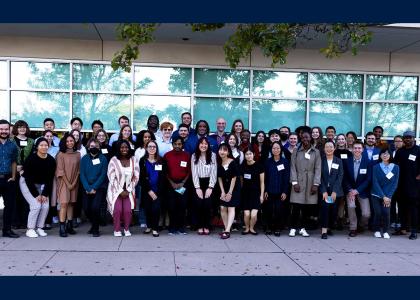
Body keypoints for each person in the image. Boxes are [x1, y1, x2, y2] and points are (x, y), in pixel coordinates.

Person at [20, 138, 56, 238]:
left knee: (45, 206)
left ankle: (39, 227)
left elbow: (50, 179)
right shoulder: (31, 159)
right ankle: (30, 229)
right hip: (27, 183)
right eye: (41, 145)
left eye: (46, 145)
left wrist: (44, 194)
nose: (44, 147)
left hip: (42, 185)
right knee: (36, 205)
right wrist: (36, 195)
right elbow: (28, 179)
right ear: (37, 147)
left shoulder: (51, 160)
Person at [289, 131, 321, 237]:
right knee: (296, 206)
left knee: (307, 207)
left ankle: (303, 228)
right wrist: (294, 182)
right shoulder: (296, 151)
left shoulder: (316, 152)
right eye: (303, 138)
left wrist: (316, 184)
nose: (305, 139)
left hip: (311, 182)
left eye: (307, 137)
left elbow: (318, 168)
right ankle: (293, 228)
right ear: (300, 139)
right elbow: (293, 168)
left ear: (310, 138)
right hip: (298, 181)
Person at [107, 140, 140, 237]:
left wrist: (128, 190)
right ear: (118, 148)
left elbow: (136, 176)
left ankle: (126, 229)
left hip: (129, 190)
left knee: (127, 210)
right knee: (117, 210)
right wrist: (120, 191)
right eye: (122, 147)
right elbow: (111, 176)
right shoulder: (113, 160)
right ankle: (117, 229)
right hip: (116, 190)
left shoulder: (134, 160)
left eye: (126, 147)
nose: (124, 149)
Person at [394, 130, 420, 240]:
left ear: (414, 138)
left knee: (414, 208)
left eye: (410, 137)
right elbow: (394, 165)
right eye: (406, 137)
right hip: (401, 184)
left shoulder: (418, 150)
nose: (407, 139)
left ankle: (414, 230)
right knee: (402, 208)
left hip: (414, 185)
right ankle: (403, 228)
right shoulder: (400, 151)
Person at [80, 138, 108, 237]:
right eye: (92, 146)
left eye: (96, 146)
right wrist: (88, 188)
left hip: (99, 187)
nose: (94, 148)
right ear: (88, 147)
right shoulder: (84, 159)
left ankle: (95, 228)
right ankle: (94, 224)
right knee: (86, 209)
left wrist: (94, 188)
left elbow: (103, 175)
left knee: (95, 208)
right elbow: (82, 174)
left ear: (99, 148)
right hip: (86, 187)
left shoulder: (103, 159)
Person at [343, 141, 371, 237]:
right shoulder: (347, 161)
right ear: (352, 149)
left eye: (359, 148)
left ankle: (361, 225)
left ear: (362, 149)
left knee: (366, 214)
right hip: (350, 191)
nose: (357, 150)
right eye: (355, 148)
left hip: (362, 191)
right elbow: (345, 178)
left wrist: (357, 190)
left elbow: (368, 179)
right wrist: (350, 190)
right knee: (351, 207)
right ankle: (353, 228)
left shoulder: (367, 162)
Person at [139, 140, 166, 237]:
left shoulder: (161, 160)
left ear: (156, 148)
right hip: (147, 190)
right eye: (150, 146)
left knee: (156, 209)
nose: (152, 148)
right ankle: (149, 226)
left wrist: (157, 191)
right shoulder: (143, 161)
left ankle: (155, 228)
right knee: (147, 209)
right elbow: (141, 177)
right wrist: (149, 191)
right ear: (146, 148)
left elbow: (163, 177)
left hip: (158, 190)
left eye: (154, 147)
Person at [164, 137, 191, 235]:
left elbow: (189, 171)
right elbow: (165, 172)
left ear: (182, 145)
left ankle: (181, 228)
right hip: (171, 184)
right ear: (172, 144)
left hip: (183, 184)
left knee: (182, 206)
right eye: (175, 144)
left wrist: (182, 182)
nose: (177, 146)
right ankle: (172, 228)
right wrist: (172, 183)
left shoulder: (187, 156)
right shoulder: (167, 156)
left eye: (179, 144)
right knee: (172, 206)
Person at [55, 133, 81, 237]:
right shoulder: (60, 154)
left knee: (71, 203)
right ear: (64, 143)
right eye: (67, 141)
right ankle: (62, 227)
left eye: (71, 141)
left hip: (74, 182)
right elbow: (60, 171)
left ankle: (69, 225)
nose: (70, 143)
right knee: (64, 203)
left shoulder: (78, 154)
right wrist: (68, 184)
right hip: (63, 182)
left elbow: (79, 171)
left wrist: (73, 182)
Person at [371, 148, 399, 239]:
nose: (385, 155)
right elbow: (375, 182)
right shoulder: (375, 167)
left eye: (387, 154)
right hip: (376, 194)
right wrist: (383, 196)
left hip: (388, 196)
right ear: (380, 155)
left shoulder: (396, 167)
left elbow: (395, 183)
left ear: (390, 155)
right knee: (378, 212)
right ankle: (377, 230)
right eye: (383, 153)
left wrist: (388, 196)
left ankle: (386, 231)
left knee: (386, 212)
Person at [191, 137, 217, 235]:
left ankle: (206, 225)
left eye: (206, 144)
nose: (204, 145)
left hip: (209, 182)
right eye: (201, 144)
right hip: (198, 182)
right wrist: (197, 188)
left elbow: (214, 172)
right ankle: (199, 225)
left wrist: (210, 187)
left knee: (207, 204)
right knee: (198, 204)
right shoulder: (194, 156)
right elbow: (194, 173)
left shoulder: (213, 156)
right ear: (198, 145)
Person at [263, 142, 290, 236]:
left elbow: (286, 178)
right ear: (271, 150)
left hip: (280, 191)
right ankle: (268, 227)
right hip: (269, 190)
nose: (276, 150)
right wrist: (265, 190)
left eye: (278, 148)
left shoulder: (285, 162)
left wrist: (285, 191)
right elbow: (265, 178)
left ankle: (278, 227)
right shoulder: (267, 162)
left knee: (279, 209)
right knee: (269, 209)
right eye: (274, 148)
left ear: (281, 149)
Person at [12, 120, 35, 229]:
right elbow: (9, 156)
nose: (22, 129)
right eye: (20, 127)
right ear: (16, 129)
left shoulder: (31, 141)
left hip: (27, 172)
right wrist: (16, 167)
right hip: (13, 172)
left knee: (26, 197)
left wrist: (24, 168)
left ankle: (25, 221)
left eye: (24, 127)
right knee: (15, 197)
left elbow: (32, 157)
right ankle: (16, 222)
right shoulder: (11, 140)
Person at [319, 141, 344, 239]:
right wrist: (324, 191)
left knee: (333, 210)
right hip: (324, 190)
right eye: (327, 147)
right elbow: (319, 176)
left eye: (331, 147)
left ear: (334, 148)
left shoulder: (339, 161)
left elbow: (340, 176)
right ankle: (324, 231)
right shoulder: (321, 160)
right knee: (325, 208)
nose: (329, 149)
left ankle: (329, 227)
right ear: (324, 149)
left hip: (335, 191)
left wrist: (335, 191)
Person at [217, 143, 240, 239]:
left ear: (228, 152)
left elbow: (234, 177)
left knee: (230, 207)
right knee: (222, 207)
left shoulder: (232, 162)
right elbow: (219, 178)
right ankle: (227, 228)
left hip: (233, 188)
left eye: (225, 150)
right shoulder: (219, 162)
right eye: (221, 150)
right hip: (224, 187)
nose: (222, 152)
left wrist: (230, 192)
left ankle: (227, 230)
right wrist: (222, 191)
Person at [0, 119, 19, 238]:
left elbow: (14, 162)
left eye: (6, 129)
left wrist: (13, 177)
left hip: (8, 179)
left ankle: (7, 230)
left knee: (9, 206)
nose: (3, 131)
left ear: (9, 130)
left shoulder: (12, 145)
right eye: (1, 129)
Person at [240, 146, 264, 235]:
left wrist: (261, 195)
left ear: (253, 154)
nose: (248, 156)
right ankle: (246, 228)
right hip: (245, 193)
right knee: (246, 214)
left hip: (256, 193)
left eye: (250, 154)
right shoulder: (242, 166)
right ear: (244, 155)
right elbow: (241, 181)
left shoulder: (259, 166)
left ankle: (252, 228)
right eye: (246, 154)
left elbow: (262, 182)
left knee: (253, 214)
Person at [134, 129, 155, 228]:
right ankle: (142, 219)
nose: (147, 139)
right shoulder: (138, 150)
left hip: (153, 180)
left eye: (149, 137)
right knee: (142, 200)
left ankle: (152, 220)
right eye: (145, 137)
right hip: (141, 180)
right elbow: (136, 166)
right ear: (142, 138)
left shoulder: (154, 149)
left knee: (152, 200)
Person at [333, 133, 352, 229]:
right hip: (335, 179)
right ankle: (334, 220)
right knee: (335, 200)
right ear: (336, 141)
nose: (341, 140)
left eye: (342, 139)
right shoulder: (333, 152)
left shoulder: (349, 153)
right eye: (339, 139)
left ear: (345, 141)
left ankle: (341, 219)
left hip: (346, 180)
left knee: (342, 201)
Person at [390, 135, 403, 229]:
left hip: (402, 182)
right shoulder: (392, 153)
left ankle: (400, 221)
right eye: (396, 141)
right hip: (391, 181)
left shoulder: (404, 152)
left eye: (399, 141)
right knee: (392, 202)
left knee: (401, 203)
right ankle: (393, 220)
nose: (397, 143)